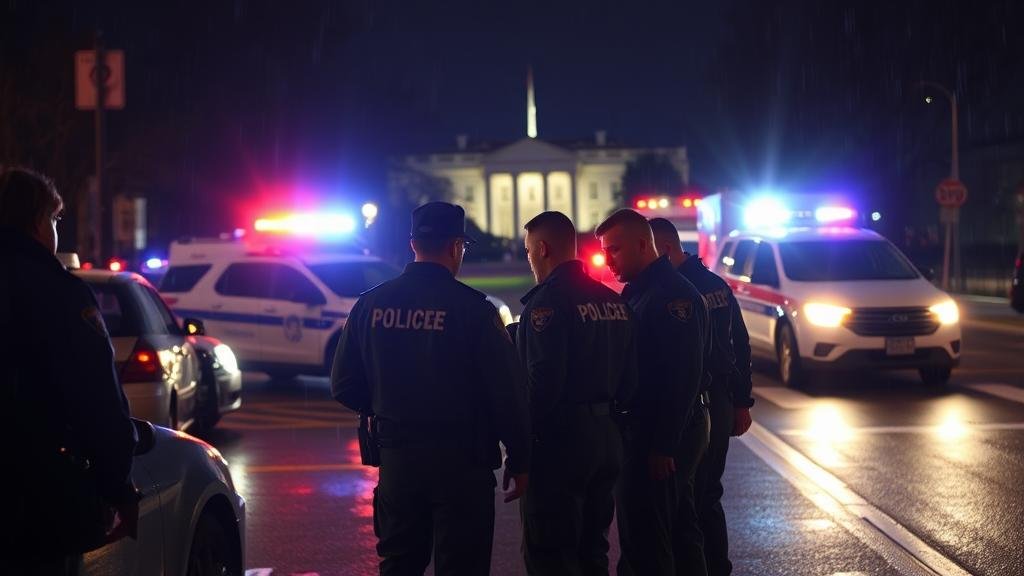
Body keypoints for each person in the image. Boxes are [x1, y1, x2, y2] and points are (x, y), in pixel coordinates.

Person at [331, 201, 531, 575]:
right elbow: (506, 391)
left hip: (398, 458)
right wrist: (520, 458)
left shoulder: (370, 305)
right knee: (462, 565)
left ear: (413, 245)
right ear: (456, 247)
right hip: (462, 462)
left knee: (399, 564)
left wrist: (387, 405)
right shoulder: (474, 310)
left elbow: (343, 384)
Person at [1, 167, 138, 575]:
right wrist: (117, 485)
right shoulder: (58, 293)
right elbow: (96, 398)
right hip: (34, 502)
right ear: (38, 220)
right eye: (56, 219)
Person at [516, 211, 638, 575]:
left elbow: (544, 383)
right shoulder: (615, 302)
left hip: (561, 442)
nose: (529, 260)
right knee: (593, 549)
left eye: (528, 252)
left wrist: (521, 448)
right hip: (608, 438)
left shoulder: (547, 304)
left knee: (551, 551)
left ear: (543, 248)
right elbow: (631, 379)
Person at [595, 209, 709, 576]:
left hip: (658, 436)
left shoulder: (672, 297)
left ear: (644, 245)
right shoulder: (645, 291)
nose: (607, 259)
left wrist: (663, 445)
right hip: (655, 431)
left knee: (646, 538)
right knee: (676, 531)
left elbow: (683, 376)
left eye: (614, 250)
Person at [650, 218, 754, 576]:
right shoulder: (715, 285)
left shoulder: (676, 291)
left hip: (696, 400)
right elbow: (739, 344)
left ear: (662, 249)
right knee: (709, 494)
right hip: (721, 398)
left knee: (689, 499)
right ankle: (717, 567)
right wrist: (741, 400)